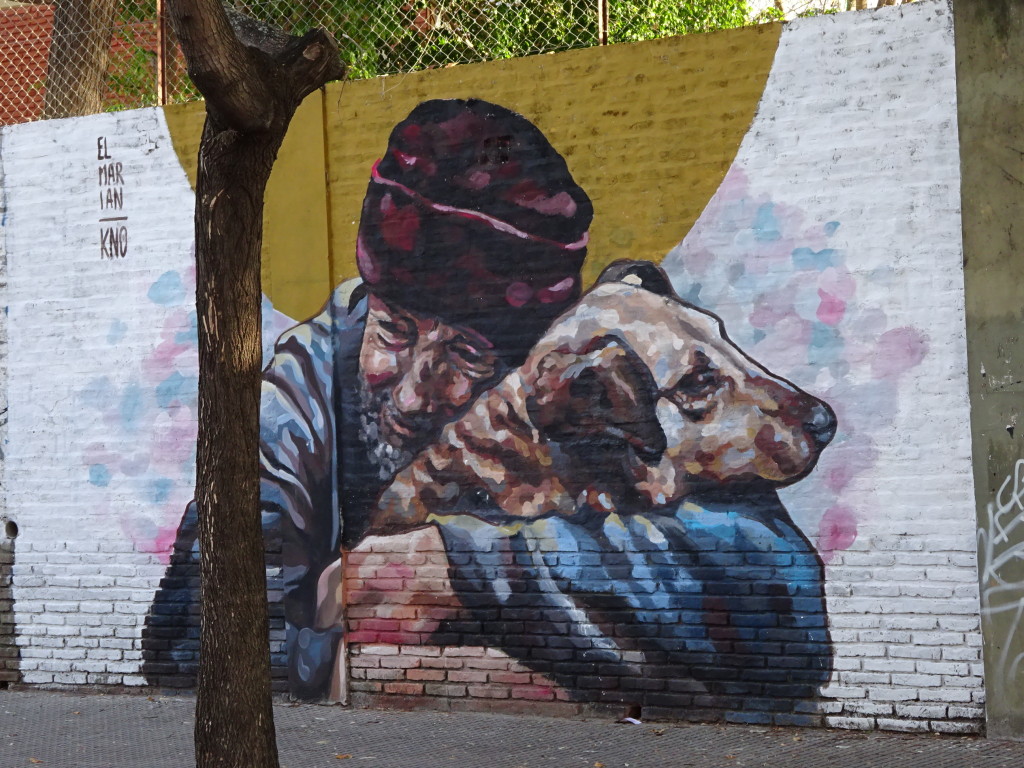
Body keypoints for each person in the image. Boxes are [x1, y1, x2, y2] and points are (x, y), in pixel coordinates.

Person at [142, 98, 594, 699]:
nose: (411, 400)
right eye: (394, 332)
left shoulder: (576, 386)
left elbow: (748, 558)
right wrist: (358, 652)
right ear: (368, 308)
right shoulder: (297, 403)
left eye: (466, 356)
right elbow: (192, 644)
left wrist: (466, 567)